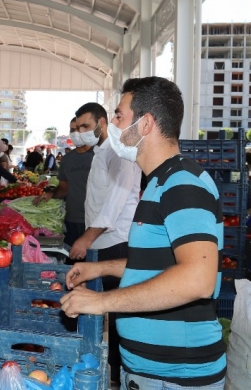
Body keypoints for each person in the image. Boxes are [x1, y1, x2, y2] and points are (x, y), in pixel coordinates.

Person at [61, 77, 226, 389]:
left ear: (146, 123)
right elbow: (160, 263)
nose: (114, 126)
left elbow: (197, 279)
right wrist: (102, 267)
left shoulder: (183, 184)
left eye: (120, 116)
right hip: (149, 372)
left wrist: (102, 301)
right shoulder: (158, 183)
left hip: (177, 376)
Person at [69, 101, 141, 384]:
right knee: (106, 306)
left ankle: (119, 373)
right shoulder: (101, 153)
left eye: (85, 126)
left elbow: (113, 204)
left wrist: (86, 238)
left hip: (117, 243)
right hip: (102, 241)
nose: (81, 132)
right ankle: (110, 369)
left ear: (102, 123)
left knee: (118, 307)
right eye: (77, 128)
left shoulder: (118, 154)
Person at [35, 118, 94, 248]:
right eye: (72, 130)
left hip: (95, 222)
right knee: (72, 260)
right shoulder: (67, 159)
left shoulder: (99, 155)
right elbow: (63, 188)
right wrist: (51, 194)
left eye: (79, 129)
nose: (75, 133)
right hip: (72, 219)